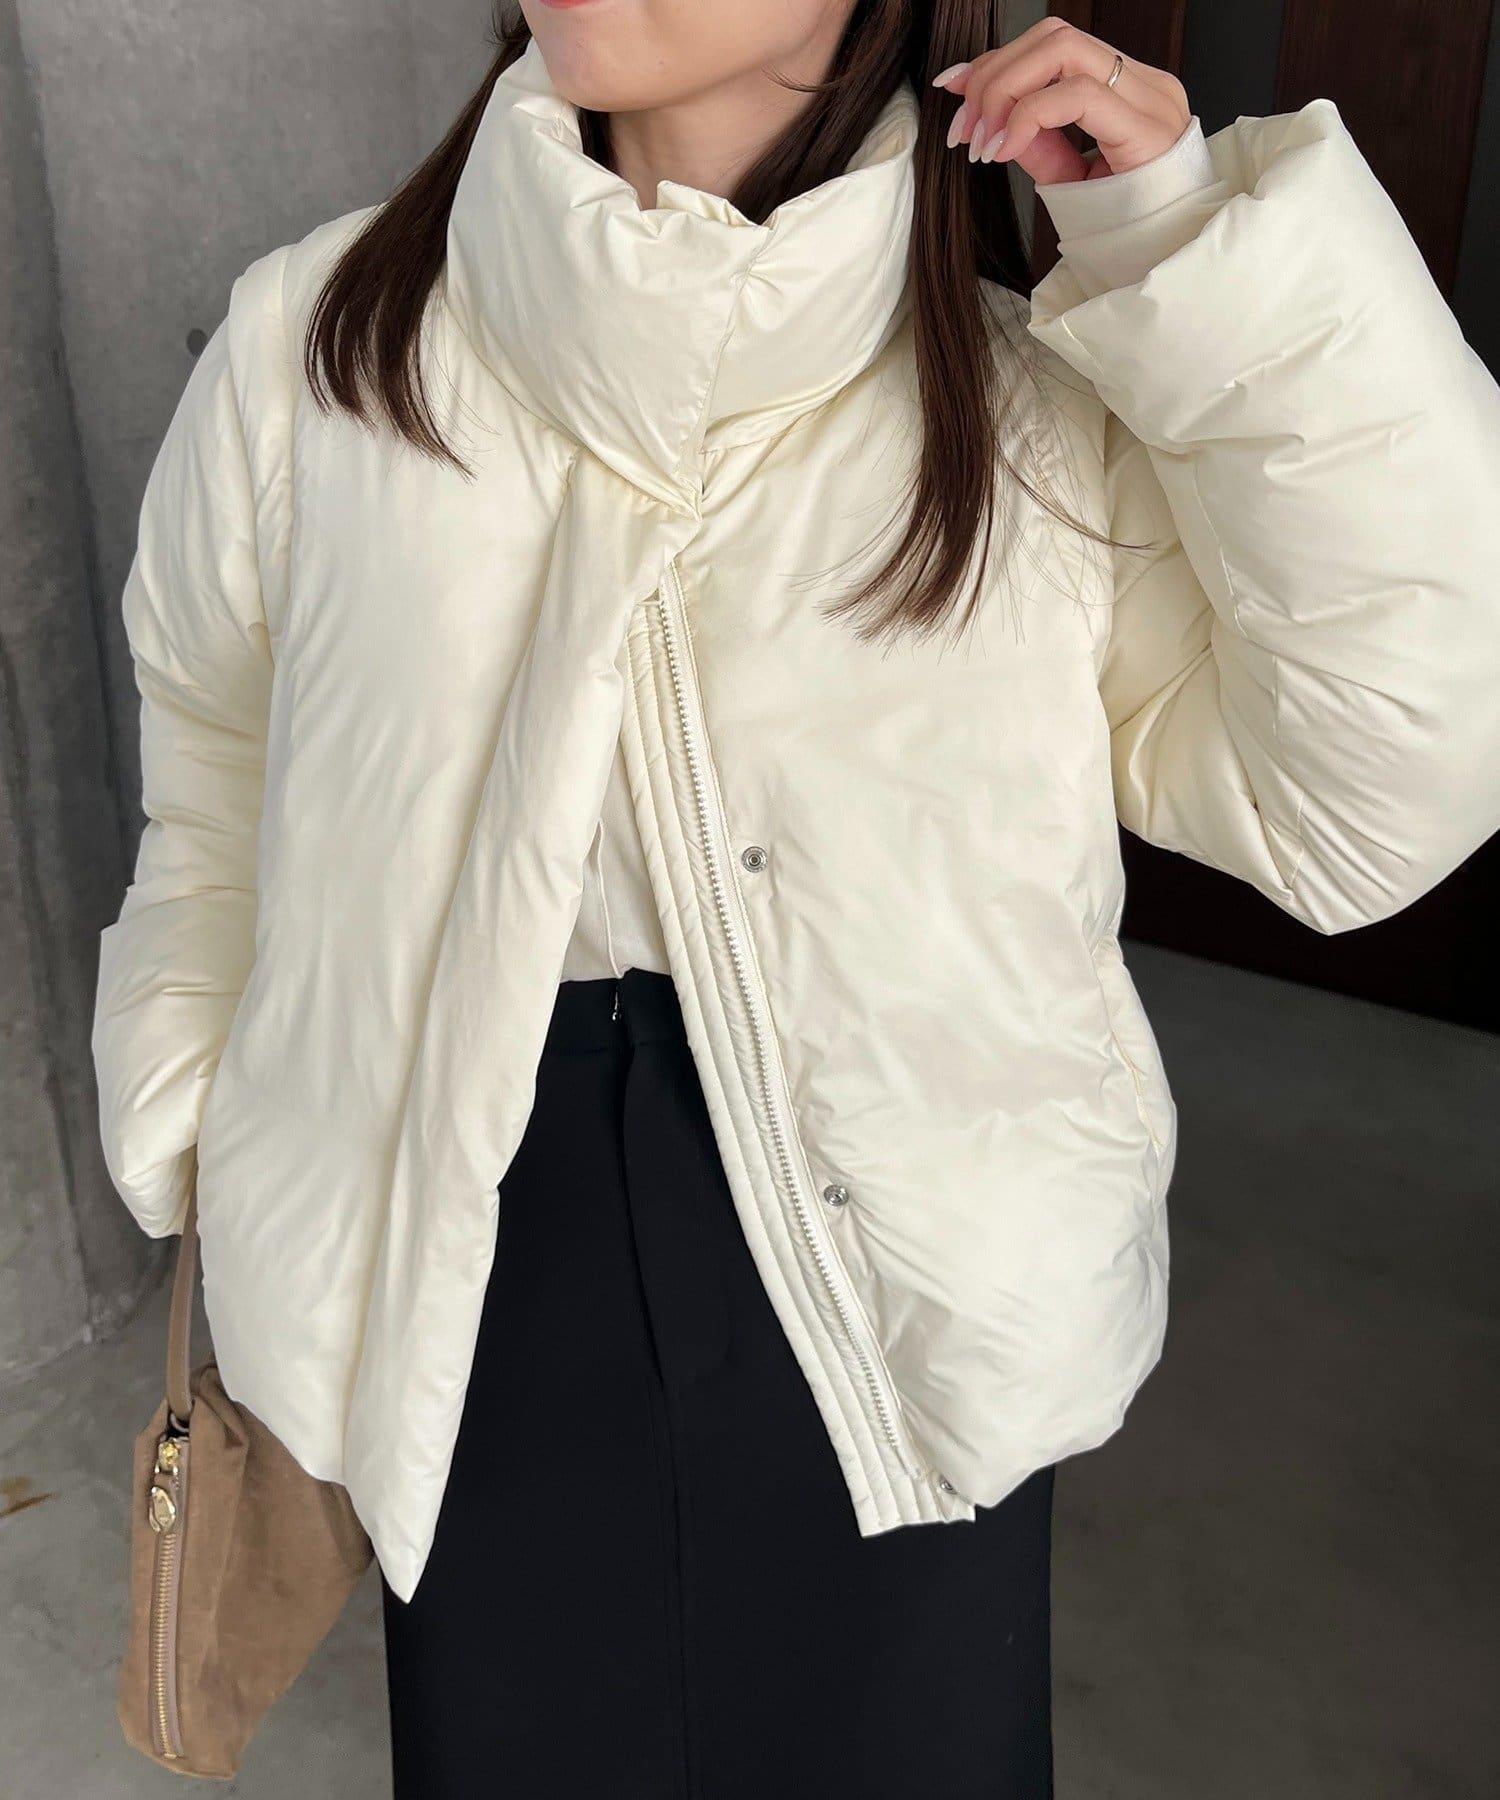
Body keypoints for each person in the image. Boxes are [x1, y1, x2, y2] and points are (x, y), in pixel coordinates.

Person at [93, 3, 1500, 1794]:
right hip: (472, 1274)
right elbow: (217, 757)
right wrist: (202, 1126)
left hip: (900, 1279)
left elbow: (1381, 798)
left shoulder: (1026, 398)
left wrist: (1186, 252)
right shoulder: (318, 347)